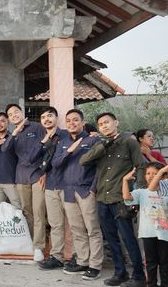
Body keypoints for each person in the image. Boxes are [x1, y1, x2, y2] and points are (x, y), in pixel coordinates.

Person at [80, 112, 146, 287]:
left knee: (127, 237)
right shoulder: (100, 144)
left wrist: (138, 194)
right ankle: (120, 273)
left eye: (107, 122)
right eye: (101, 124)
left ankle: (139, 276)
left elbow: (140, 166)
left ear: (116, 122)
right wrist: (104, 145)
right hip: (102, 198)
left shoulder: (129, 142)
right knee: (111, 238)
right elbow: (83, 160)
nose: (104, 126)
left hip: (121, 199)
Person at [51, 109, 103, 280]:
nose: (72, 123)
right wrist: (69, 151)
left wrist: (93, 189)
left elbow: (100, 167)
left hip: (86, 190)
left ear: (82, 122)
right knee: (76, 229)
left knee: (92, 229)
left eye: (75, 120)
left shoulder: (93, 140)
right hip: (68, 191)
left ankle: (95, 265)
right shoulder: (63, 141)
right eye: (69, 121)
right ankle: (82, 261)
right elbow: (56, 163)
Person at [1, 104, 47, 262]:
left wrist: (46, 171)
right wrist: (13, 134)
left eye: (16, 112)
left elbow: (48, 148)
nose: (14, 115)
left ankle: (38, 247)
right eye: (10, 114)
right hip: (21, 176)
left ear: (22, 113)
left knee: (39, 211)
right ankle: (30, 242)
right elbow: (4, 150)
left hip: (37, 174)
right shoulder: (12, 134)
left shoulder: (36, 127)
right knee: (27, 212)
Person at [128, 161, 168, 287]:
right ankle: (151, 284)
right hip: (150, 231)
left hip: (167, 231)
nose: (151, 176)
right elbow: (152, 188)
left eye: (155, 173)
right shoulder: (149, 190)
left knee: (164, 262)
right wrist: (162, 171)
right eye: (148, 173)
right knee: (151, 261)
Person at [37, 107, 69, 269]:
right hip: (50, 184)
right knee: (55, 223)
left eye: (50, 116)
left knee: (74, 224)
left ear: (57, 118)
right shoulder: (42, 138)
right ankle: (57, 256)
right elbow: (39, 158)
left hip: (68, 185)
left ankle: (78, 257)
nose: (46, 119)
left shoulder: (66, 134)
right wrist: (43, 172)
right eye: (43, 117)